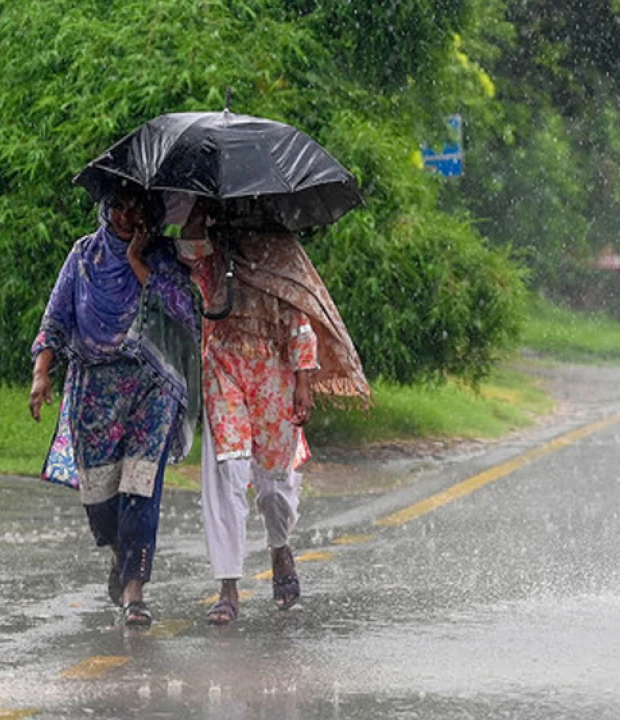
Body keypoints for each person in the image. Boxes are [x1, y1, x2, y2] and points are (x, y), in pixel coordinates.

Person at [175, 198, 370, 625]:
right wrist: (198, 214)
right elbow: (187, 253)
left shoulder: (282, 251)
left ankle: (280, 547)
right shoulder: (215, 244)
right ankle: (228, 586)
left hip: (274, 372)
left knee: (274, 483)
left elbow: (300, 317)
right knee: (227, 468)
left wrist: (303, 381)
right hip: (224, 364)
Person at [29, 183, 201, 628]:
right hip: (95, 391)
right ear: (105, 208)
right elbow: (56, 319)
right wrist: (41, 374)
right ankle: (120, 554)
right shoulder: (84, 255)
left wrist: (137, 263)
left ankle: (134, 592)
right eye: (118, 206)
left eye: (136, 208)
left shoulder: (163, 257)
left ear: (151, 214)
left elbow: (183, 313)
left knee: (141, 488)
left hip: (151, 385)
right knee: (101, 501)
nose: (126, 216)